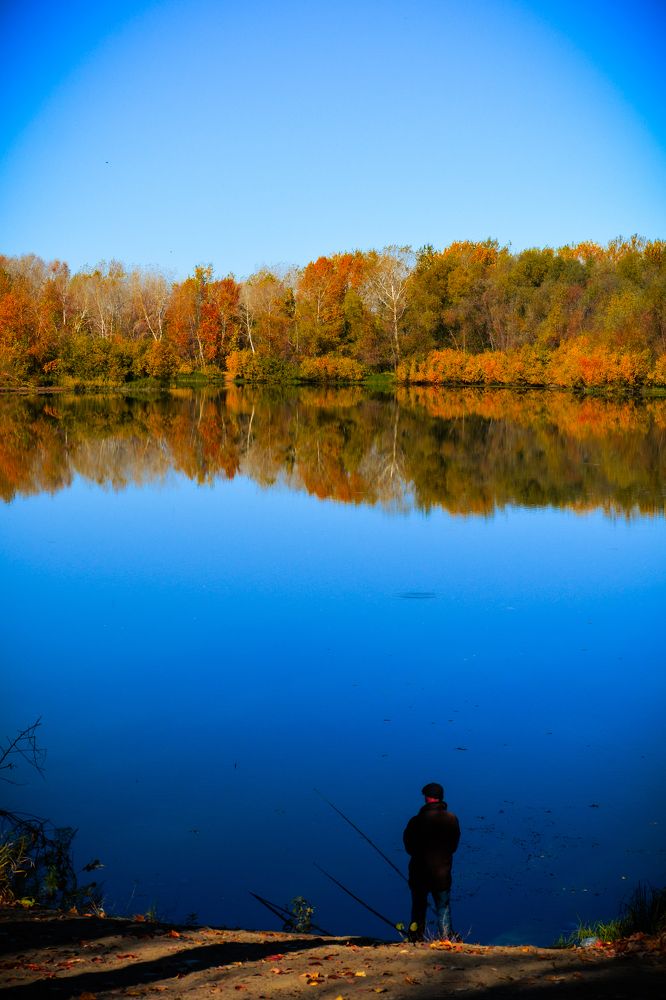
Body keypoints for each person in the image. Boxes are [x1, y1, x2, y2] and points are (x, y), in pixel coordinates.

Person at [403, 781, 461, 941]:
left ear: (427, 798)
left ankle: (415, 937)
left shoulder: (415, 821)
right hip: (441, 874)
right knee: (443, 907)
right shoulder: (451, 819)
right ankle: (447, 938)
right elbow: (453, 846)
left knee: (418, 907)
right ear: (440, 798)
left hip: (418, 873)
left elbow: (408, 847)